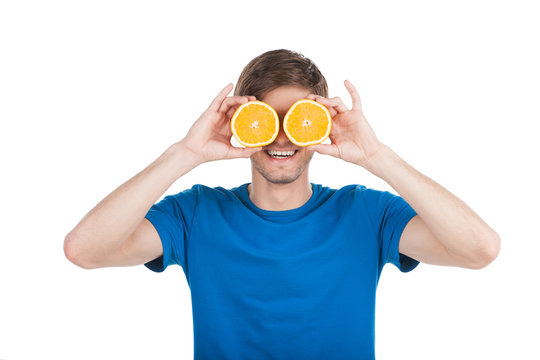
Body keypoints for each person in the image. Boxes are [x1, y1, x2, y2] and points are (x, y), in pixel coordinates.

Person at [64, 49, 500, 359]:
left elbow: (480, 249)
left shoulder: (366, 214)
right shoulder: (195, 214)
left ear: (321, 126)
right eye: (266, 119)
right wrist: (185, 153)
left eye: (298, 120)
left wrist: (376, 156)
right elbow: (83, 250)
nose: (282, 137)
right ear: (241, 122)